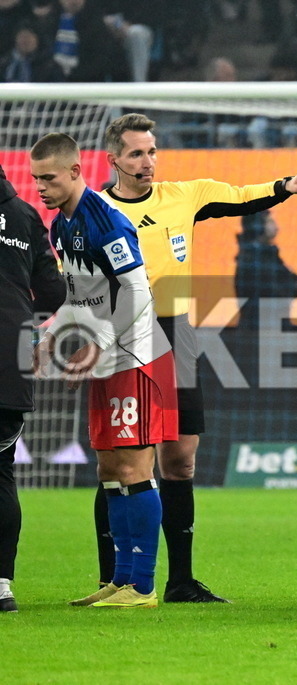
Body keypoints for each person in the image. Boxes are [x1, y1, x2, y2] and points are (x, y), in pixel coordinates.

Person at [94, 113, 297, 603]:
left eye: (152, 150)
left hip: (177, 335)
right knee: (120, 463)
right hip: (121, 338)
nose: (147, 161)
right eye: (136, 153)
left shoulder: (184, 196)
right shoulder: (93, 210)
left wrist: (285, 186)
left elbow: (241, 196)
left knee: (180, 462)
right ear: (113, 159)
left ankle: (180, 582)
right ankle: (112, 578)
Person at [30, 132, 177, 609]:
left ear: (75, 172)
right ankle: (120, 578)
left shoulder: (105, 221)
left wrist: (105, 345)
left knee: (135, 467)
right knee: (110, 468)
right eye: (36, 180)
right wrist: (49, 334)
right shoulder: (59, 227)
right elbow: (77, 300)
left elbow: (137, 292)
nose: (40, 188)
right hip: (108, 355)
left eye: (48, 178)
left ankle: (144, 586)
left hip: (136, 355)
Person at [0, 162, 65, 613]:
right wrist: (21, 310)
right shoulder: (25, 214)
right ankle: (1, 584)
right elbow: (55, 292)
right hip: (11, 357)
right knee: (2, 472)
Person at [234, 210, 297, 330]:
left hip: (270, 328)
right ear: (258, 226)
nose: (276, 227)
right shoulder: (255, 259)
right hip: (262, 331)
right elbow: (289, 287)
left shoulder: (264, 255)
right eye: (270, 222)